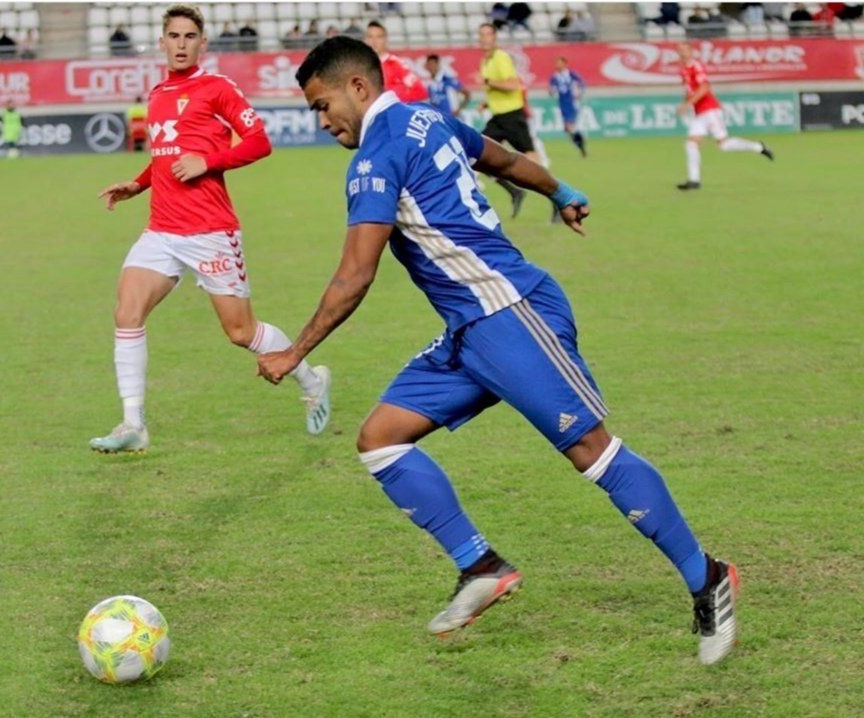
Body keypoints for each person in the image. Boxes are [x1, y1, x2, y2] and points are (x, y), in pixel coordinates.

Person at [259, 36, 739, 666]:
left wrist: (296, 351)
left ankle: (709, 577)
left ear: (357, 87)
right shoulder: (427, 117)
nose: (322, 123)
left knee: (591, 450)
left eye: (323, 106)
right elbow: (508, 163)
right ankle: (480, 564)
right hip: (470, 328)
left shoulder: (375, 156)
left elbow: (355, 275)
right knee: (380, 438)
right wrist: (561, 190)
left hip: (510, 312)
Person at [91, 4, 332, 454]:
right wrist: (138, 184)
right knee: (126, 313)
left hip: (209, 231)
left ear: (202, 44)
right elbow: (165, 155)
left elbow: (260, 141)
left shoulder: (217, 88)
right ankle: (132, 423)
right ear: (161, 42)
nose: (180, 44)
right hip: (161, 230)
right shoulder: (159, 92)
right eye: (173, 36)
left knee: (241, 333)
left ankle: (311, 378)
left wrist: (210, 161)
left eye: (189, 37)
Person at [675, 42, 773, 190]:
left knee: (724, 145)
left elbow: (705, 87)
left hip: (710, 110)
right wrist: (684, 104)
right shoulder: (683, 70)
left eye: (685, 50)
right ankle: (694, 180)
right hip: (699, 113)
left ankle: (758, 147)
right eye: (679, 51)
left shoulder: (696, 66)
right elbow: (689, 91)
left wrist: (687, 104)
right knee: (691, 143)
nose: (682, 53)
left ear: (691, 51)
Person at [477, 22, 539, 219]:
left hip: (512, 115)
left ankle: (557, 196)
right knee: (476, 155)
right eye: (482, 35)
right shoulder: (485, 61)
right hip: (498, 118)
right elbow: (497, 88)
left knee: (532, 160)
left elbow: (513, 84)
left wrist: (489, 83)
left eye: (488, 34)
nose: (485, 38)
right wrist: (486, 103)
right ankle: (515, 191)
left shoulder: (501, 57)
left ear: (494, 37)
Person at [364, 21, 428, 103]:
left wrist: (395, 103)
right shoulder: (360, 66)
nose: (374, 41)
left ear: (385, 40)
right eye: (370, 37)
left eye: (379, 37)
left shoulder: (396, 64)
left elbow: (420, 92)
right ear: (365, 40)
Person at [549, 56, 586, 157]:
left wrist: (580, 93)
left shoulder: (571, 74)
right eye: (556, 63)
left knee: (569, 127)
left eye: (559, 63)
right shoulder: (555, 76)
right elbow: (551, 90)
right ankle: (579, 142)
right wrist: (551, 91)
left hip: (571, 103)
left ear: (565, 64)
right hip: (562, 104)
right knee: (567, 128)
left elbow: (582, 83)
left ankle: (580, 145)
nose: (557, 65)